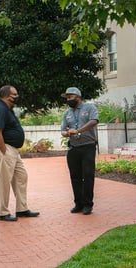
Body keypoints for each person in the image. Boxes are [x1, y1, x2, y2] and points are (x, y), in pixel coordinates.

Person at [0, 85, 39, 221]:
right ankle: (2, 212)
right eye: (15, 94)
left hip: (12, 150)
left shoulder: (8, 109)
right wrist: (4, 151)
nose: (17, 96)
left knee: (21, 176)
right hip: (3, 148)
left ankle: (22, 209)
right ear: (6, 96)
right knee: (3, 180)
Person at [60, 87, 99, 215]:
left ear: (78, 97)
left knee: (88, 175)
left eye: (70, 97)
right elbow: (63, 130)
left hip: (88, 146)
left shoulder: (89, 108)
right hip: (74, 148)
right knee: (75, 177)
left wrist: (78, 130)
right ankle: (78, 203)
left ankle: (88, 204)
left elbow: (94, 121)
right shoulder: (67, 113)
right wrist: (67, 133)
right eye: (67, 98)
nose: (68, 100)